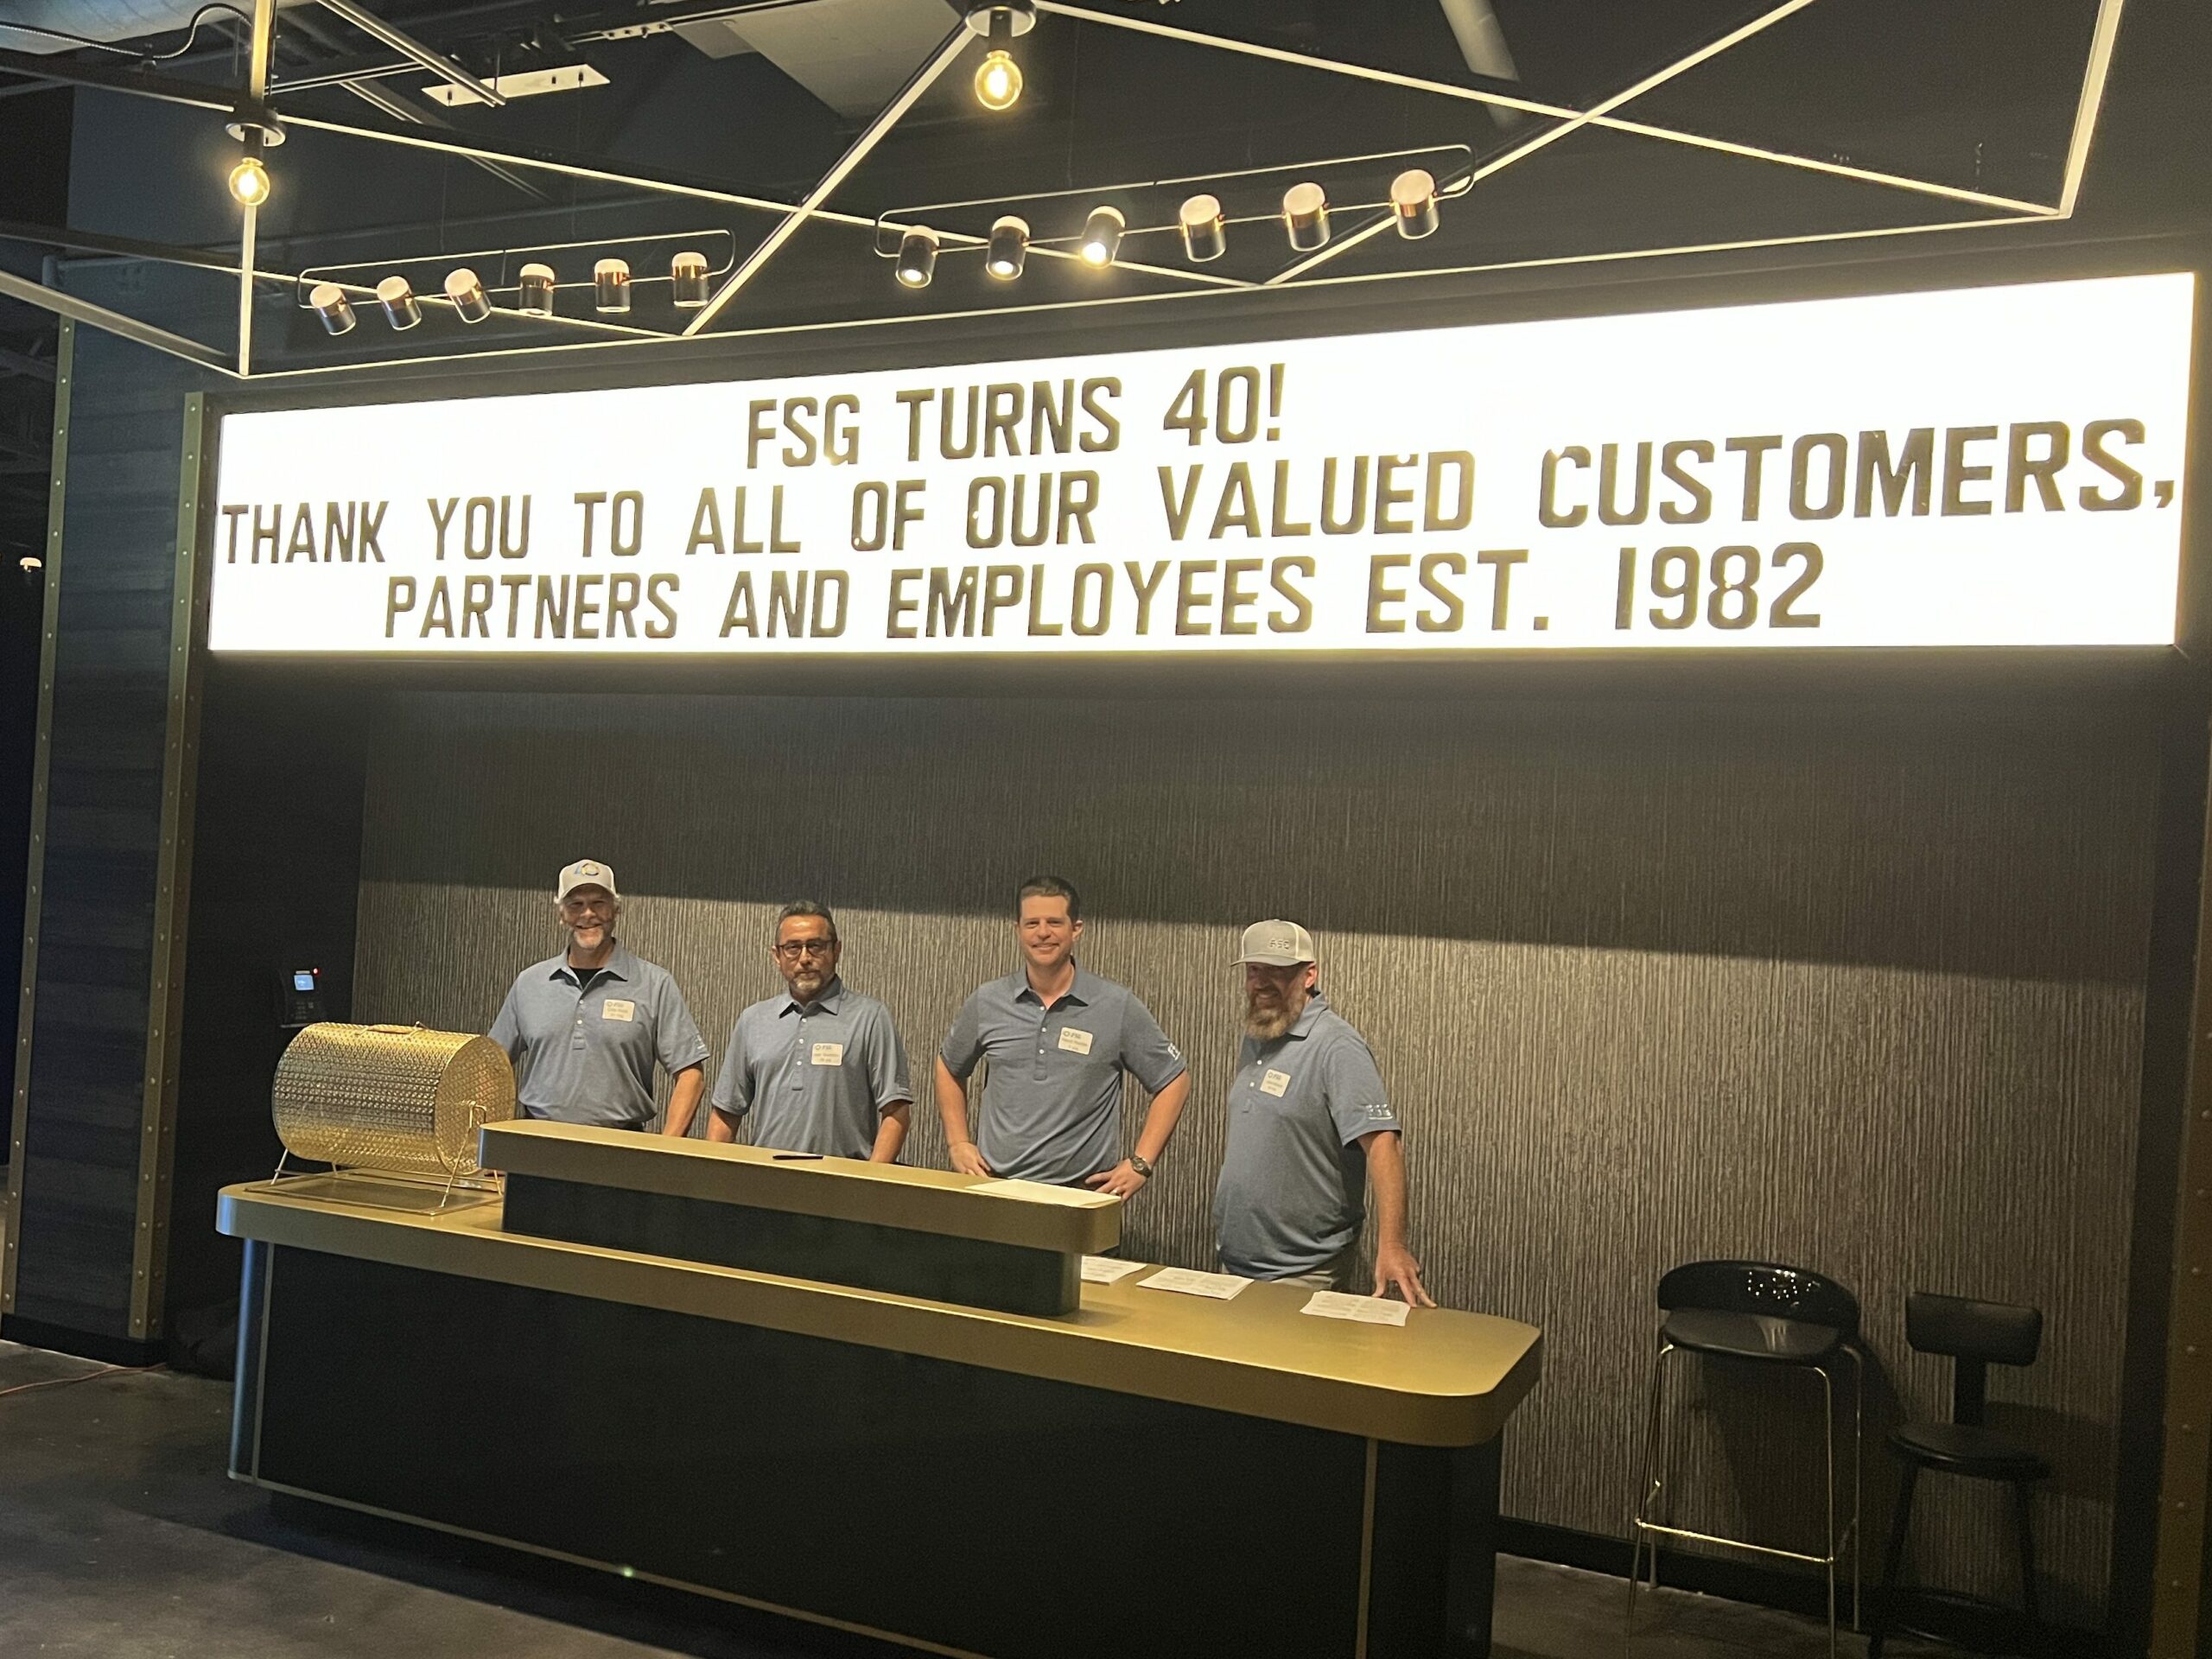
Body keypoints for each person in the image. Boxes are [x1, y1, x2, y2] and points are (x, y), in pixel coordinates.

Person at [1214, 919, 1433, 1306]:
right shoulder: (1261, 1033)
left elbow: (1383, 1144)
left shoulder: (1337, 1047)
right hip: (1236, 1268)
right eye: (1254, 970)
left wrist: (1393, 1245)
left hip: (1301, 1275)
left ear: (1309, 975)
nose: (1261, 983)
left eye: (1276, 971)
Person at [936, 875, 1189, 1195]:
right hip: (997, 1188)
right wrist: (958, 1142)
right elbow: (948, 1066)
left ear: (1076, 929)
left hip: (1081, 1195)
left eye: (1054, 922)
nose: (1043, 932)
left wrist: (1141, 1163)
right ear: (1017, 930)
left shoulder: (1116, 1005)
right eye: (1032, 923)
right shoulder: (988, 1001)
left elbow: (1174, 1080)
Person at [488, 858, 708, 1135]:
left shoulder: (655, 984)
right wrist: (492, 1141)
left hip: (621, 1147)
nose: (588, 914)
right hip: (536, 1143)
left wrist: (666, 1149)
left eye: (599, 903)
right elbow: (490, 1067)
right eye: (575, 904)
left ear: (616, 910)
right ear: (561, 914)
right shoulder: (530, 983)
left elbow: (691, 1075)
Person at [706, 901, 912, 1161]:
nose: (805, 958)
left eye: (816, 946)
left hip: (843, 1179)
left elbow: (896, 1112)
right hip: (766, 1176)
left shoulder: (870, 1018)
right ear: (777, 956)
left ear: (836, 950)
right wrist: (711, 1176)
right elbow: (726, 1114)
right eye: (793, 948)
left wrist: (869, 1178)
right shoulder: (753, 1020)